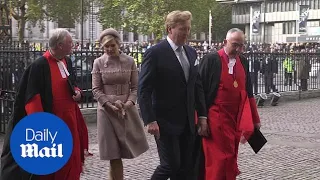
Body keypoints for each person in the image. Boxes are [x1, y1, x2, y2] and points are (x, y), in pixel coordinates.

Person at [0, 28, 91, 180]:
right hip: (53, 119)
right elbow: (32, 98)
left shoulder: (67, 61)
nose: (73, 45)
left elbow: (72, 84)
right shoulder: (39, 65)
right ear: (60, 45)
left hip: (70, 118)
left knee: (71, 155)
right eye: (70, 43)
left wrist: (78, 93)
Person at [138, 10, 207, 180]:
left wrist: (203, 116)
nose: (187, 33)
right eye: (182, 29)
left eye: (188, 29)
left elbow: (196, 86)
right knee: (170, 165)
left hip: (188, 122)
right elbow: (144, 89)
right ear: (170, 29)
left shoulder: (191, 52)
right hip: (164, 122)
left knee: (186, 167)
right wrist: (149, 119)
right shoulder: (155, 53)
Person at [197, 28, 261, 180]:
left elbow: (248, 91)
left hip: (235, 119)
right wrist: (202, 118)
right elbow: (199, 91)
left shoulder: (243, 61)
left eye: (241, 45)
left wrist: (255, 119)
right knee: (219, 159)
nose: (238, 49)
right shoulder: (211, 59)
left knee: (231, 155)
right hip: (216, 118)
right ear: (225, 42)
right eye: (235, 45)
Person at [91, 28, 149, 180]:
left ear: (118, 45)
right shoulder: (98, 63)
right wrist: (108, 105)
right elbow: (96, 90)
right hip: (106, 111)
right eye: (106, 46)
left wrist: (128, 103)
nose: (109, 49)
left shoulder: (130, 61)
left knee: (127, 149)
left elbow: (135, 87)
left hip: (125, 110)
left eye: (112, 45)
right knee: (113, 154)